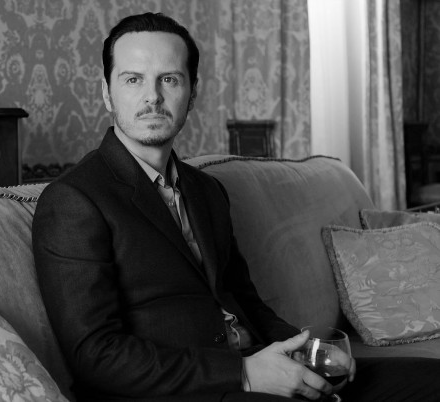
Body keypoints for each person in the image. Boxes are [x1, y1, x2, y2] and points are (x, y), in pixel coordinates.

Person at [32, 12, 440, 402]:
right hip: (182, 390)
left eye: (169, 79)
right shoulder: (74, 200)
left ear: (192, 93)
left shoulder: (207, 190)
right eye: (133, 79)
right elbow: (95, 355)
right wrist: (243, 373)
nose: (152, 96)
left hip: (257, 367)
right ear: (107, 92)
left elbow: (245, 300)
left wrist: (306, 349)